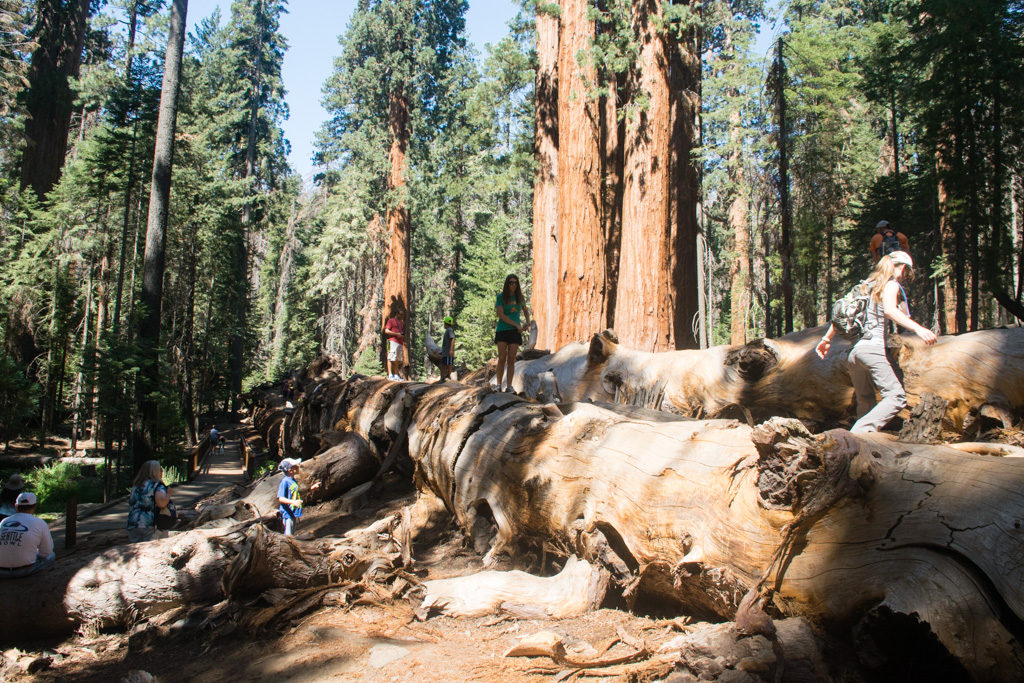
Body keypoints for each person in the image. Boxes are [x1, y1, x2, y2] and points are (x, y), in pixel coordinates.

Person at [816, 251, 937, 433]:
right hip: (871, 349)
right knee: (896, 397)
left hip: (854, 354)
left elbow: (840, 315)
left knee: (865, 399)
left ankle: (859, 451)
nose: (906, 278)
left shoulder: (865, 286)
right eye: (907, 274)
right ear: (903, 268)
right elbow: (889, 310)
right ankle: (856, 437)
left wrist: (826, 339)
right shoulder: (890, 285)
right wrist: (918, 329)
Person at [0, 492, 55, 578]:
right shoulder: (40, 522)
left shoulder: (4, 522)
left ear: (16, 506)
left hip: (1, 571)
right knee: (51, 556)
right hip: (24, 571)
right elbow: (46, 552)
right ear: (34, 506)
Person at [494, 274, 531, 393]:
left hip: (515, 332)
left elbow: (526, 311)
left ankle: (509, 386)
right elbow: (501, 315)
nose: (513, 285)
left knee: (511, 360)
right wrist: (516, 325)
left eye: (515, 282)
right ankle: (498, 384)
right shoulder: (501, 297)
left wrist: (528, 322)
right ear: (507, 284)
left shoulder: (520, 298)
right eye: (511, 282)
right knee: (501, 358)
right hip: (503, 330)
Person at [126, 460, 173, 543]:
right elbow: (161, 503)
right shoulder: (157, 485)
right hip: (150, 524)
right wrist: (168, 494)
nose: (161, 471)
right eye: (159, 469)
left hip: (133, 524)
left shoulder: (136, 485)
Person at [277, 458, 303, 536]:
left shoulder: (292, 480)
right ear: (290, 470)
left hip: (293, 513)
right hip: (287, 514)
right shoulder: (285, 481)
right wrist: (293, 502)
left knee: (291, 535)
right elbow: (280, 498)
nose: (298, 466)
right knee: (288, 537)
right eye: (296, 465)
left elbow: (295, 494)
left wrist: (311, 489)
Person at [384, 310, 405, 381]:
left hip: (400, 342)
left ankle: (396, 374)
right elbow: (386, 331)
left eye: (403, 315)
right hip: (393, 341)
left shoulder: (401, 322)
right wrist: (396, 334)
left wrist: (401, 335)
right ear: (397, 314)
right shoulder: (391, 321)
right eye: (401, 315)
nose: (402, 316)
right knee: (391, 357)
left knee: (397, 359)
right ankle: (390, 374)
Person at [440, 316, 455, 381]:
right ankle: (442, 378)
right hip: (445, 352)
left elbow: (453, 339)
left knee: (449, 364)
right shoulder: (447, 330)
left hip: (448, 352)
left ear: (445, 323)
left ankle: (450, 377)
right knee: (444, 364)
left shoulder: (450, 330)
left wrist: (451, 350)